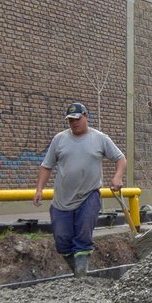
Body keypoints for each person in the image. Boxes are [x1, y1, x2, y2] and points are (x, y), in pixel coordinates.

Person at [34, 102, 126, 277]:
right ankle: (76, 270)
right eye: (70, 120)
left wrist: (118, 177)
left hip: (88, 196)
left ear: (86, 116)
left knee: (83, 235)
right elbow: (46, 166)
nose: (74, 123)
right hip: (62, 199)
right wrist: (39, 189)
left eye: (77, 119)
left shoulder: (99, 138)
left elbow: (120, 158)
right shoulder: (59, 140)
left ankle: (81, 273)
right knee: (62, 240)